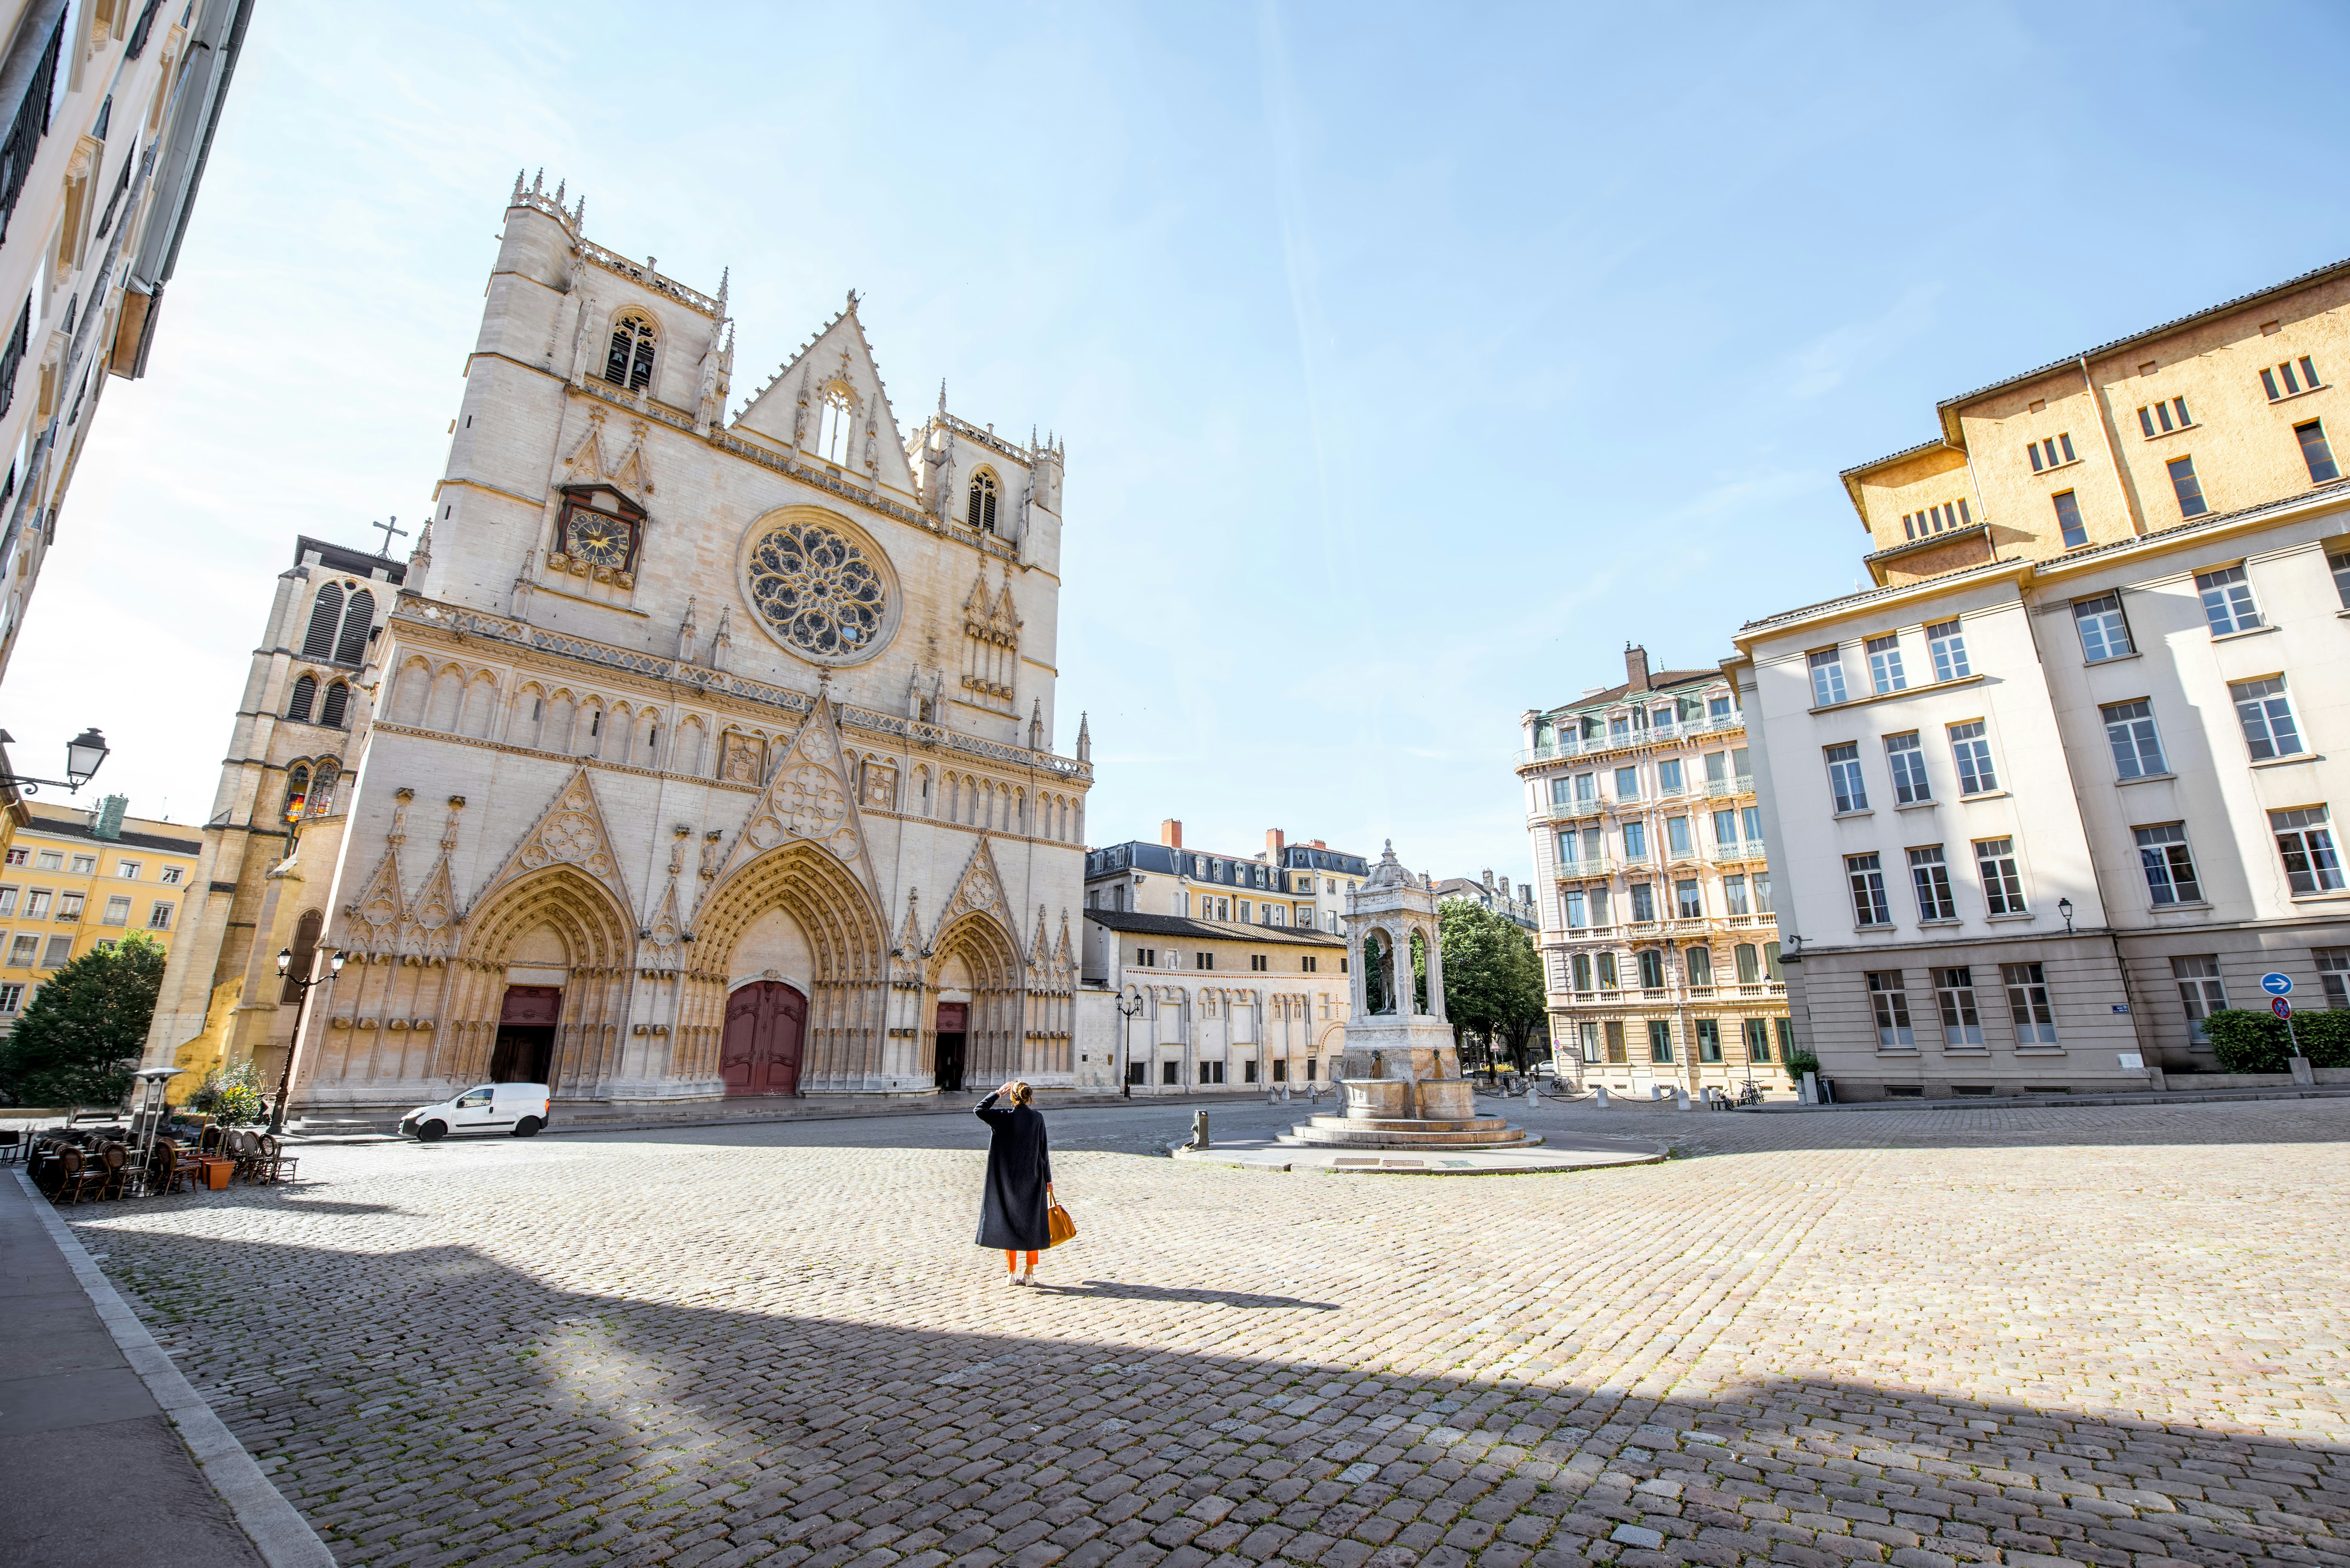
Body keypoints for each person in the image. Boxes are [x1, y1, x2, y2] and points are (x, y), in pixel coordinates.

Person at [974, 1079, 1053, 1285]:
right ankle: (1029, 1274)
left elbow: (979, 1110)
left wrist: (997, 1094)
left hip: (1008, 1181)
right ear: (1030, 1097)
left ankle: (1011, 1273)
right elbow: (1043, 1150)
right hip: (1034, 1179)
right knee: (1032, 1225)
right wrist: (1049, 1179)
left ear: (1013, 1096)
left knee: (1010, 1223)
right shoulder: (1038, 1118)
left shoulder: (1002, 1117)